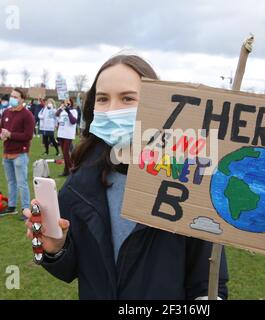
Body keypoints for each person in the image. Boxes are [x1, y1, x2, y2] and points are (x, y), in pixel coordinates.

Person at [24, 54, 228, 299]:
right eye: (102, 99)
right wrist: (56, 249)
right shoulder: (80, 183)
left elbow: (207, 282)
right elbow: (74, 268)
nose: (112, 110)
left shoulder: (189, 178)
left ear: (157, 104)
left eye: (127, 98)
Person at [0, 88, 35, 219]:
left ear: (22, 99)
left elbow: (28, 135)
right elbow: (0, 129)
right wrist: (1, 135)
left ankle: (26, 209)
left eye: (15, 96)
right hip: (6, 153)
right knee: (11, 181)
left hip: (20, 154)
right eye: (11, 96)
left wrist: (11, 135)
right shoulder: (6, 112)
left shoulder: (27, 115)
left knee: (22, 182)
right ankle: (11, 206)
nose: (12, 98)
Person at [56, 98, 78, 176]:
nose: (66, 103)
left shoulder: (73, 111)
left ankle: (72, 169)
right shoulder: (62, 111)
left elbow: (73, 121)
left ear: (71, 103)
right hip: (61, 133)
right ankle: (66, 170)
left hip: (68, 134)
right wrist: (61, 108)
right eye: (65, 102)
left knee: (66, 153)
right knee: (64, 153)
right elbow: (56, 114)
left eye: (68, 101)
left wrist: (68, 110)